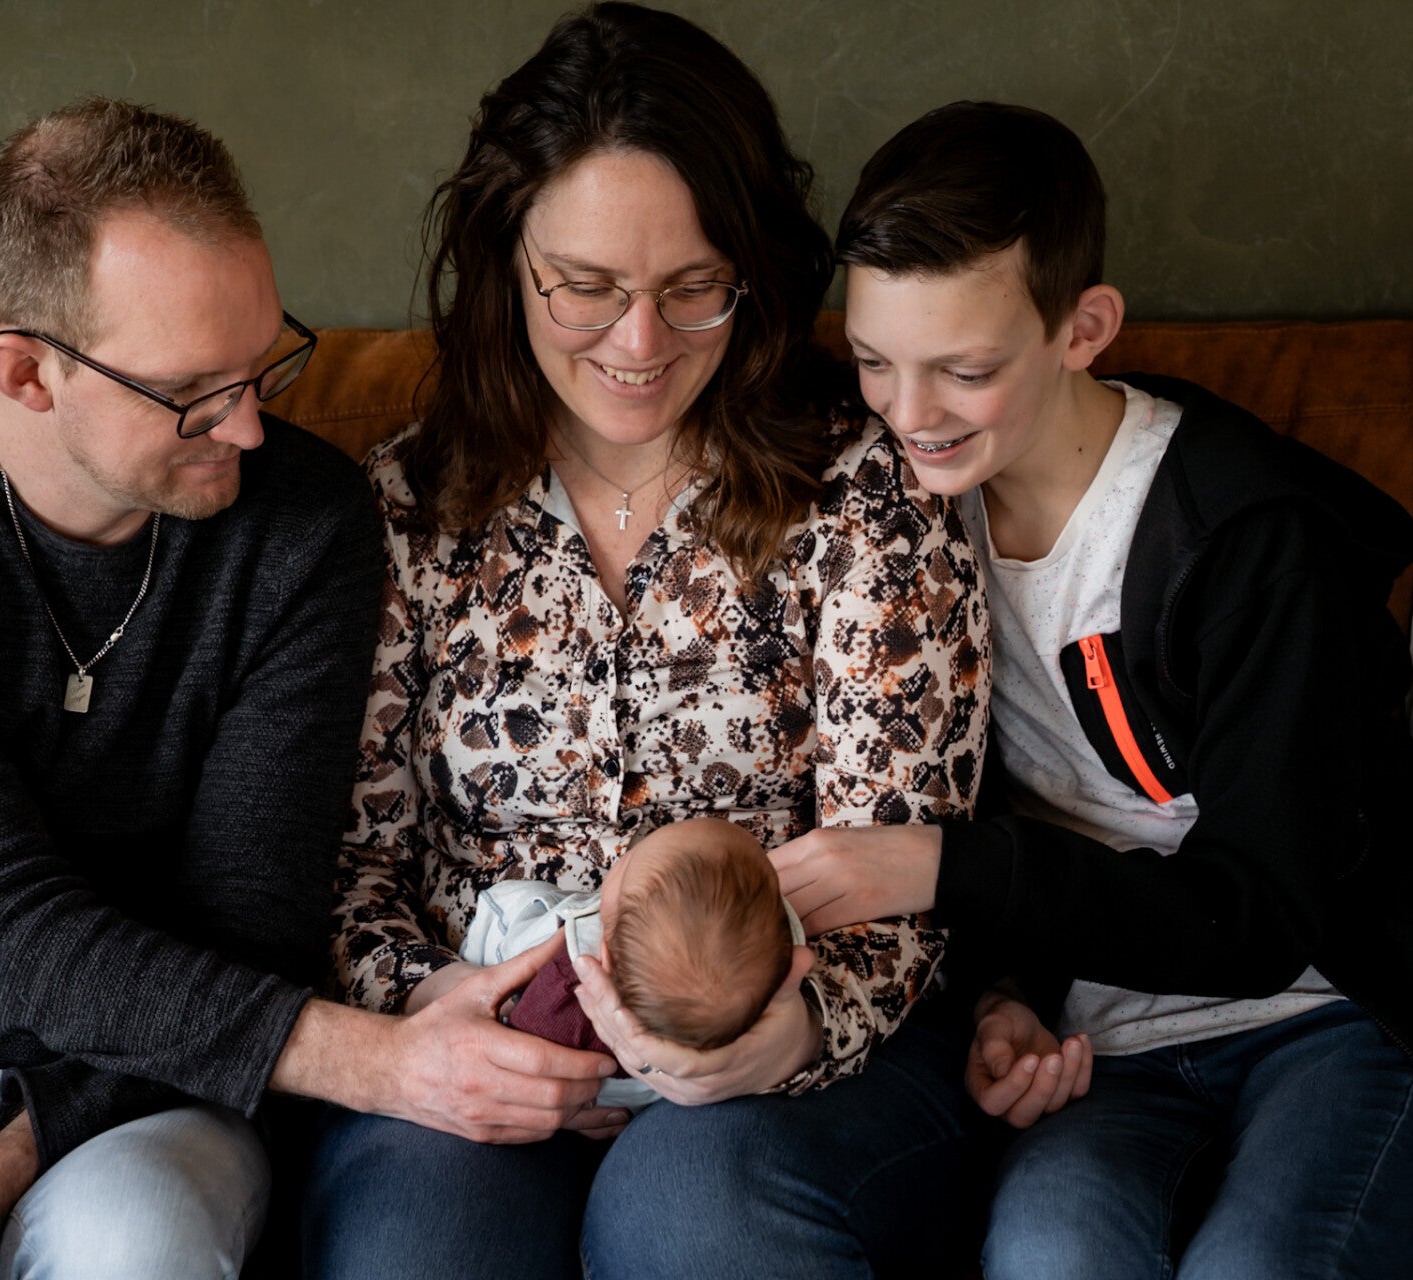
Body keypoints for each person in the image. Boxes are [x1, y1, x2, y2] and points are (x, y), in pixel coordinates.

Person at [0, 97, 585, 1280]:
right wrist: (379, 1061)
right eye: (192, 390)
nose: (247, 429)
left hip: (161, 1070)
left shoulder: (302, 524)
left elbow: (248, 922)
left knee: (135, 1246)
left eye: (263, 365)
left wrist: (3, 1168)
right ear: (26, 372)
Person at [772, 98, 1413, 1278]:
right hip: (1105, 1040)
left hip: (1335, 1008)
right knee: (1050, 1256)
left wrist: (936, 865)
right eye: (875, 361)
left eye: (964, 370)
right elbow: (1009, 806)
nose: (907, 413)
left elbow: (1259, 913)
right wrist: (1004, 997)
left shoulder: (1243, 538)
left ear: (1082, 328)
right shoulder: (905, 527)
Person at [311, 6, 989, 1278]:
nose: (639, 344)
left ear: (753, 268)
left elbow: (905, 866)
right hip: (476, 1043)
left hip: (796, 1057)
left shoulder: (864, 495)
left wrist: (785, 1034)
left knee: (690, 1211)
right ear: (504, 258)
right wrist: (430, 1009)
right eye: (585, 287)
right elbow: (352, 860)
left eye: (692, 288)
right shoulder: (408, 507)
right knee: (420, 1242)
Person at [464, 817, 804, 1109]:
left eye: (628, 862)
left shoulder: (563, 985)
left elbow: (515, 1051)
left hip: (545, 1084)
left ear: (605, 954)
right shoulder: (753, 978)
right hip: (649, 1101)